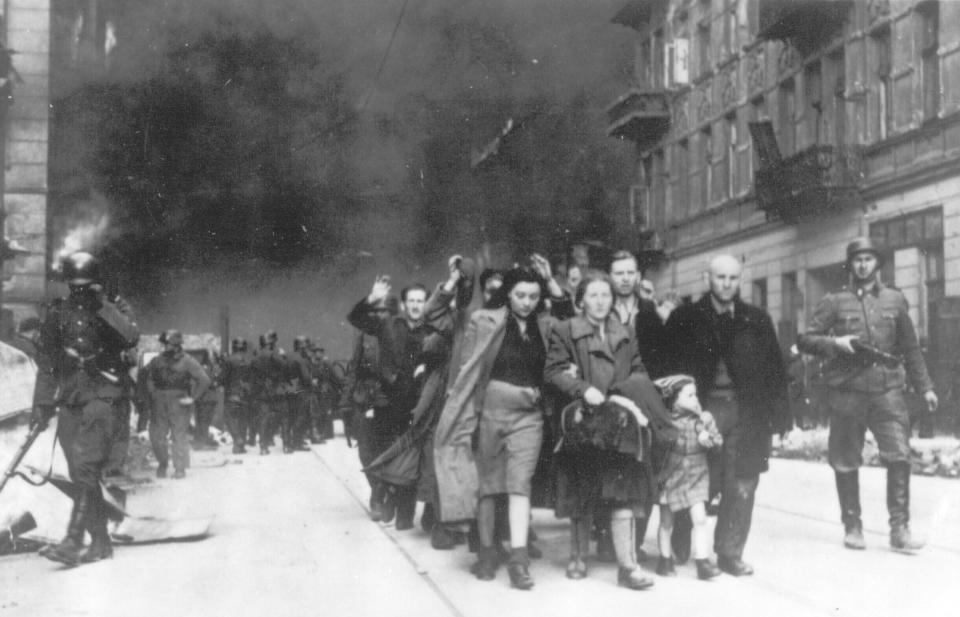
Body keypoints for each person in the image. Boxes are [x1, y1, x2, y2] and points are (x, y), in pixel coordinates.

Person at [797, 237, 937, 552]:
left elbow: (911, 348)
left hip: (887, 390)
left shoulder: (895, 300)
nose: (863, 265)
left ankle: (899, 529)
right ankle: (853, 526)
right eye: (857, 259)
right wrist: (835, 344)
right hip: (848, 391)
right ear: (851, 265)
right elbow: (806, 339)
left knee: (900, 456)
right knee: (846, 460)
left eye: (868, 259)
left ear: (877, 263)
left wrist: (925, 386)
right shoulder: (834, 301)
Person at [435, 259, 561, 590]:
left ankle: (518, 560)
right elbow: (468, 369)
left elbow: (561, 349)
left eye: (534, 296)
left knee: (520, 485)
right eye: (520, 295)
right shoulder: (482, 320)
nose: (527, 302)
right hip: (488, 413)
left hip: (529, 417)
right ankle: (487, 554)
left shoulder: (545, 325)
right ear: (507, 294)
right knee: (488, 486)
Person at [662, 254, 790, 576]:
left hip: (747, 412)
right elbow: (667, 369)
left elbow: (775, 368)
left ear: (740, 280)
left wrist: (781, 416)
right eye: (720, 277)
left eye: (733, 278)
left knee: (742, 481)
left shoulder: (757, 320)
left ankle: (729, 553)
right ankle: (681, 532)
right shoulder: (684, 317)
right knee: (693, 475)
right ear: (707, 279)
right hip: (698, 410)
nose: (727, 284)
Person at [545, 271, 666, 590]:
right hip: (584, 418)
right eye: (593, 295)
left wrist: (624, 393)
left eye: (605, 295)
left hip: (619, 417)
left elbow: (638, 370)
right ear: (580, 299)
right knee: (581, 488)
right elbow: (554, 371)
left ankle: (627, 566)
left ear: (613, 300)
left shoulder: (625, 331)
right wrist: (582, 389)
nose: (600, 301)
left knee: (622, 490)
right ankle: (578, 557)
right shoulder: (565, 329)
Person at [30, 251, 139, 566]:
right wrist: (41, 404)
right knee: (79, 473)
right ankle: (101, 541)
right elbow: (48, 364)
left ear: (96, 282)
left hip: (104, 396)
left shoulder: (111, 308)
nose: (79, 290)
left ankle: (72, 541)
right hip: (72, 398)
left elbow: (131, 337)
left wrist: (102, 305)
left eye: (86, 284)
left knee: (86, 466)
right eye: (75, 285)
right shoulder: (57, 313)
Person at [348, 277, 431, 530]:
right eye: (412, 301)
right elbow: (357, 319)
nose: (416, 306)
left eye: (420, 301)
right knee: (389, 454)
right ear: (404, 305)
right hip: (390, 401)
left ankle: (405, 512)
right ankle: (386, 497)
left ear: (426, 304)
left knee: (414, 457)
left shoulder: (432, 329)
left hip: (420, 402)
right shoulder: (389, 324)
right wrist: (373, 298)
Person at [652, 375, 723, 580]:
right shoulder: (666, 421)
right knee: (666, 521)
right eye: (689, 395)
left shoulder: (704, 419)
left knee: (700, 518)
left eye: (696, 394)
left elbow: (718, 441)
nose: (695, 399)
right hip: (672, 475)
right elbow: (658, 449)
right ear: (674, 399)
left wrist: (710, 440)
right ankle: (664, 560)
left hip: (696, 474)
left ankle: (702, 562)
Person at [143, 329, 211, 479]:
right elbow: (147, 377)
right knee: (157, 436)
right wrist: (153, 393)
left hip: (179, 401)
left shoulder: (188, 361)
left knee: (179, 436)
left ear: (177, 345)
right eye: (164, 344)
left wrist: (193, 398)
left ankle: (180, 468)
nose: (165, 347)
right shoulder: (157, 360)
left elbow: (204, 380)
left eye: (168, 344)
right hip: (159, 401)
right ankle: (163, 463)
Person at [250, 330, 285, 455]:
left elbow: (251, 374)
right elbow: (284, 366)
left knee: (263, 418)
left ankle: (263, 445)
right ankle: (268, 440)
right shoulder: (273, 355)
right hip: (273, 390)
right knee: (276, 416)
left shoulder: (255, 356)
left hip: (259, 391)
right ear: (270, 343)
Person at [221, 337, 254, 454]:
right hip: (245, 394)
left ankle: (237, 439)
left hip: (232, 394)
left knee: (228, 417)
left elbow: (223, 378)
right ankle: (240, 446)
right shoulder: (250, 360)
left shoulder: (229, 360)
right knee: (243, 420)